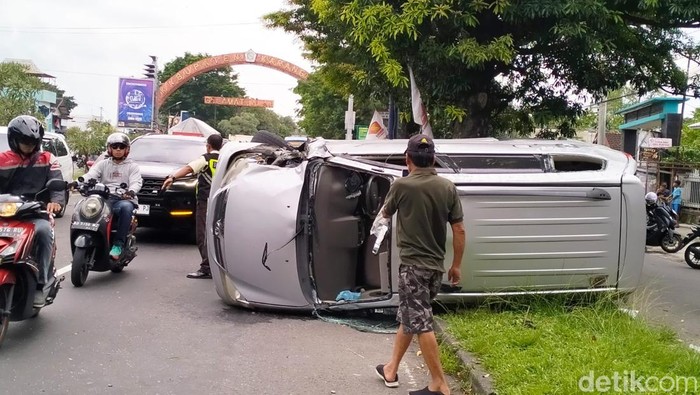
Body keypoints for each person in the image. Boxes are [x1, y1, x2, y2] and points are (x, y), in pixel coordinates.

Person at [372, 134, 466, 395]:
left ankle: (439, 384)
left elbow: (383, 216)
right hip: (435, 268)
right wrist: (456, 265)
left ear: (408, 158)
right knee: (411, 315)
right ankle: (391, 369)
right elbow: (459, 230)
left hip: (413, 267)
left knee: (421, 322)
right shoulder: (447, 188)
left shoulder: (401, 186)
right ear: (433, 158)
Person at [0, 116, 65, 307]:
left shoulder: (47, 159)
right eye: (24, 142)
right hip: (5, 211)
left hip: (35, 212)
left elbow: (57, 184)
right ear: (14, 140)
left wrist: (56, 202)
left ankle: (41, 284)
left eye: (32, 142)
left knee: (44, 232)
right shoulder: (2, 159)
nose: (28, 146)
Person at [161, 134, 223, 279]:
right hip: (221, 203)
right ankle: (218, 266)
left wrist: (173, 177)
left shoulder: (206, 158)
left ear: (208, 146)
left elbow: (189, 168)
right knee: (218, 234)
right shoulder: (224, 160)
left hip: (205, 202)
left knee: (202, 234)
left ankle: (206, 267)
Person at [83, 132, 142, 260]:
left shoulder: (132, 166)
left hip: (122, 199)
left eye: (122, 146)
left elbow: (136, 182)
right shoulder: (103, 164)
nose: (118, 150)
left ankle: (118, 245)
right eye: (115, 146)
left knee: (126, 208)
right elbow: (90, 175)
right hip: (104, 198)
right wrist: (79, 181)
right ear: (109, 148)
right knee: (84, 206)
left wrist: (131, 191)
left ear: (127, 149)